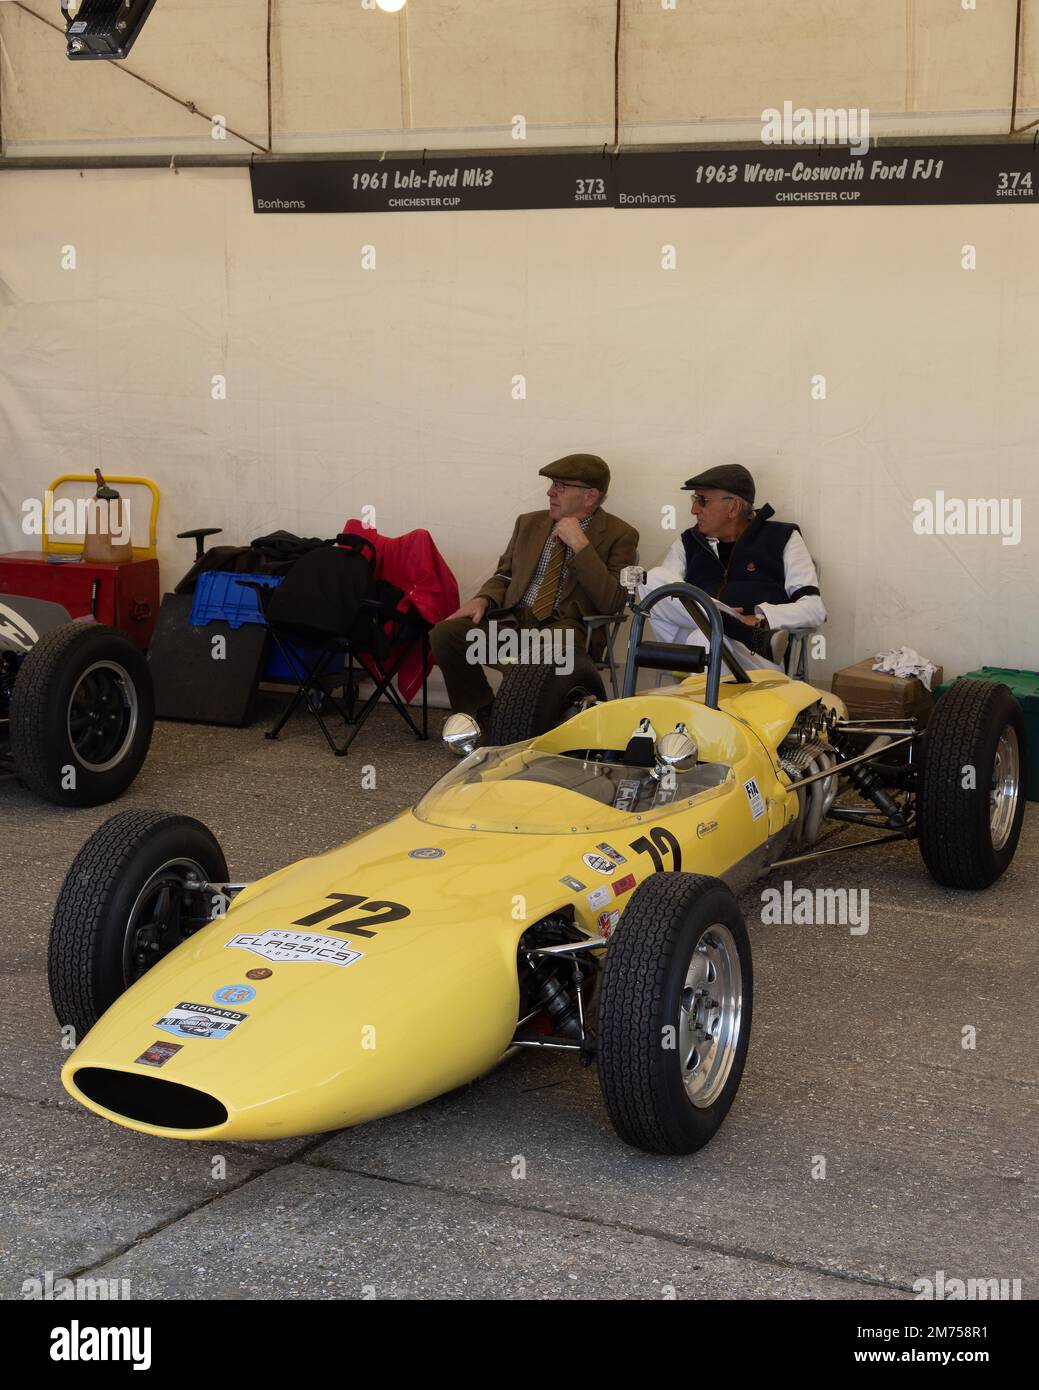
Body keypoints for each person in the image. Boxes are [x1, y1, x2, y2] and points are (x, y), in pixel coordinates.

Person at [430, 455, 639, 717]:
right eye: (552, 484)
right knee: (447, 634)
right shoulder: (529, 523)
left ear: (590, 496)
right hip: (513, 625)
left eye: (561, 486)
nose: (550, 492)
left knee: (544, 649)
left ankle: (518, 721)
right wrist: (483, 598)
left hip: (567, 630)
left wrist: (580, 546)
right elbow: (505, 576)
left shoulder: (620, 534)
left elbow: (612, 601)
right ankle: (482, 716)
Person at [641, 464, 825, 671]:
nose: (694, 509)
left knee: (706, 639)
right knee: (652, 579)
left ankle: (728, 628)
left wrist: (761, 618)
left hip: (754, 655)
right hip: (694, 650)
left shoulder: (782, 538)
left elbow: (814, 609)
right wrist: (733, 620)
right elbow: (666, 600)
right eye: (694, 500)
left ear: (733, 507)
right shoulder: (688, 541)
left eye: (702, 501)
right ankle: (731, 624)